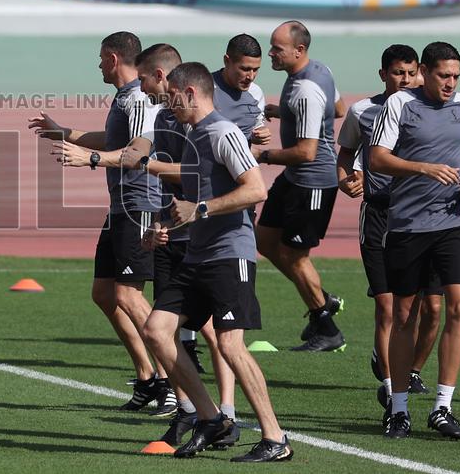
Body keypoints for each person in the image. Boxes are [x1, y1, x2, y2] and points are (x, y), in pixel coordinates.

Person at [143, 61, 292, 462]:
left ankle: (275, 439)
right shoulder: (193, 135)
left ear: (190, 93)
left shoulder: (223, 132)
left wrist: (201, 210)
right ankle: (212, 418)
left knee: (230, 345)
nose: (167, 103)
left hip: (230, 255)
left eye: (172, 96)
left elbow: (256, 190)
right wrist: (162, 226)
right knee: (157, 330)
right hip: (197, 256)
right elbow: (188, 203)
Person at [28, 32, 175, 416]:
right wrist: (64, 132)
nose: (97, 65)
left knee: (129, 295)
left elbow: (136, 152)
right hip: (121, 206)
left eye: (99, 58)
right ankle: (146, 377)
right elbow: (111, 139)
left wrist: (88, 159)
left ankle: (172, 382)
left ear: (112, 58)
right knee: (104, 293)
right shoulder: (126, 97)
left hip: (140, 204)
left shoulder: (140, 98)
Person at [370, 41, 460, 440]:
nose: (451, 83)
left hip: (454, 223)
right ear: (424, 73)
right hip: (407, 226)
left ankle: (442, 406)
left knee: (458, 309)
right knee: (404, 315)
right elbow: (378, 158)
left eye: (456, 76)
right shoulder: (401, 104)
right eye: (443, 76)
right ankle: (398, 409)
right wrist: (422, 168)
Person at [125, 43, 238, 448]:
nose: (141, 87)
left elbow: (189, 173)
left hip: (209, 239)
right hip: (177, 231)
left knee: (215, 332)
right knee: (167, 330)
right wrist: (160, 221)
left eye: (144, 78)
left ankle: (226, 412)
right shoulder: (167, 117)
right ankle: (193, 411)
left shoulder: (206, 120)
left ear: (165, 79)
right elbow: (168, 175)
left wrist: (122, 161)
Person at [336, 45, 442, 412]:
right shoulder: (363, 111)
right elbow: (345, 153)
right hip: (380, 216)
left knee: (432, 309)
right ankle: (388, 385)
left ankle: (409, 370)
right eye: (398, 72)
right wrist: (345, 179)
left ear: (421, 73)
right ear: (383, 74)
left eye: (411, 73)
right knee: (388, 307)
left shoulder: (432, 111)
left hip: (425, 218)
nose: (406, 79)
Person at [255, 21, 346, 352]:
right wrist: (285, 112)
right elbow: (337, 109)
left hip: (312, 181)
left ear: (299, 50)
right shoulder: (320, 72)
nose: (271, 54)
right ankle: (323, 300)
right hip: (295, 179)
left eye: (277, 48)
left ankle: (326, 326)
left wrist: (260, 154)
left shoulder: (305, 90)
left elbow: (306, 153)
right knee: (264, 240)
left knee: (294, 256)